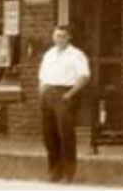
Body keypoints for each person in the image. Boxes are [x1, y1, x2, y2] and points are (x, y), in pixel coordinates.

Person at [37, 25, 89, 183]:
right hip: (48, 94)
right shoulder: (49, 54)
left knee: (65, 134)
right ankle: (54, 171)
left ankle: (68, 173)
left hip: (65, 94)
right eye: (57, 36)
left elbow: (84, 77)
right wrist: (43, 91)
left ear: (69, 37)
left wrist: (69, 94)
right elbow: (42, 76)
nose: (60, 39)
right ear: (53, 37)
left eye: (63, 36)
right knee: (48, 134)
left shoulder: (77, 55)